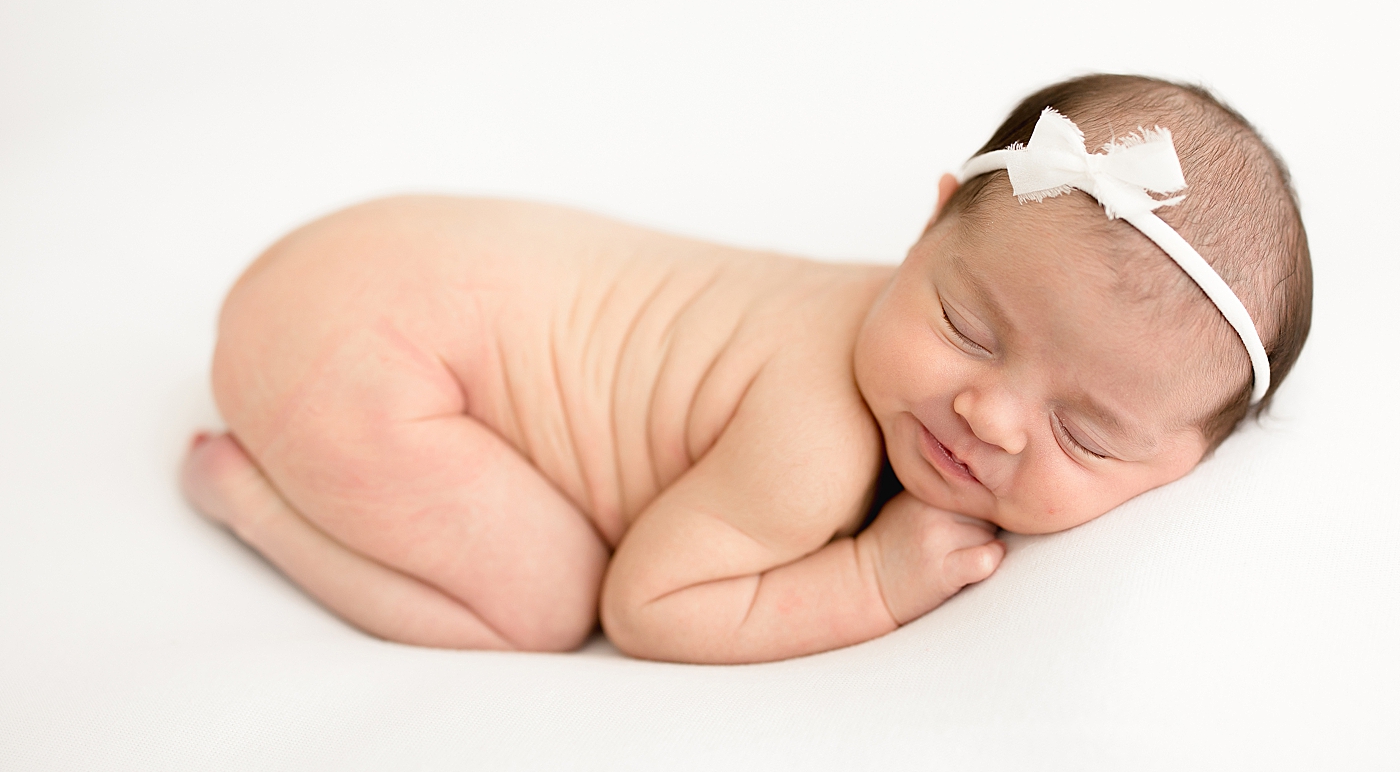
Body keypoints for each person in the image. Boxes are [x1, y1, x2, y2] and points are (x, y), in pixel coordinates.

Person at [181, 73, 1312, 664]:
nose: (986, 412)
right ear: (921, 236)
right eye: (967, 327)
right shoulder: (813, 437)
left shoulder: (910, 326)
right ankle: (258, 502)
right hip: (367, 349)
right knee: (542, 605)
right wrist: (870, 581)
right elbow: (647, 606)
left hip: (385, 255)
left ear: (1185, 463)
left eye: (1085, 434)